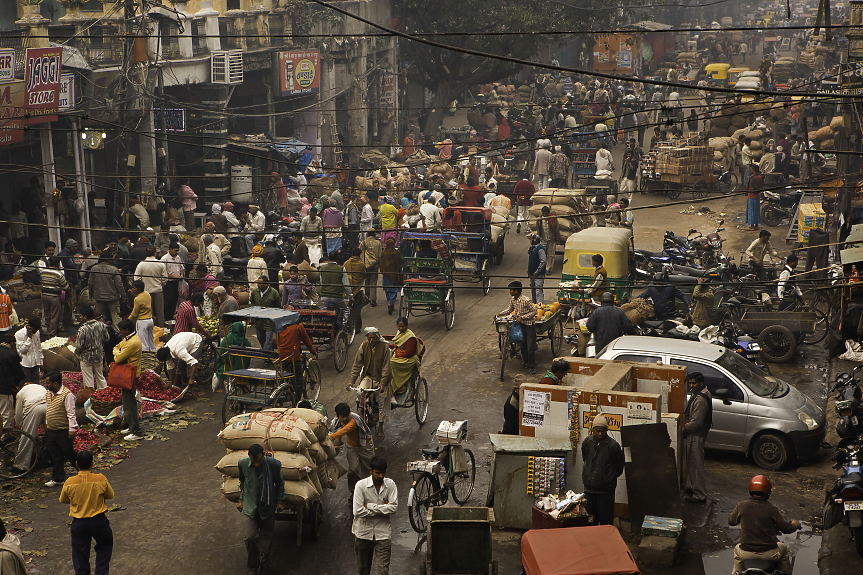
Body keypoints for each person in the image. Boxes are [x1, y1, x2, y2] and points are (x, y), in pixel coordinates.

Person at [728, 475, 800, 574]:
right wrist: (795, 525)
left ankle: (738, 573)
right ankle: (784, 573)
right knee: (784, 549)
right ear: (768, 491)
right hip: (770, 553)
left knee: (737, 551)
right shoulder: (772, 509)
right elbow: (787, 528)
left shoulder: (741, 505)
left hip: (746, 553)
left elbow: (731, 522)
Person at [59, 450, 115, 575]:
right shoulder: (101, 479)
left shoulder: (69, 482)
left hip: (79, 523)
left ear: (77, 464)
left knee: (80, 555)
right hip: (99, 521)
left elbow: (63, 500)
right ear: (92, 464)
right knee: (104, 548)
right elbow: (110, 495)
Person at [236, 443, 287, 575]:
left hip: (267, 506)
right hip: (250, 505)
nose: (257, 464)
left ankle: (265, 566)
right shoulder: (242, 464)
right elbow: (243, 482)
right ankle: (253, 566)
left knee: (266, 539)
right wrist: (241, 499)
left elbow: (280, 483)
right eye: (254, 461)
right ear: (249, 456)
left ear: (263, 455)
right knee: (250, 537)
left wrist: (280, 501)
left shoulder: (273, 465)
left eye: (259, 461)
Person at [352, 455, 397, 575]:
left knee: (383, 571)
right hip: (363, 533)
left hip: (383, 534)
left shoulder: (390, 484)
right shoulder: (360, 486)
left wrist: (370, 506)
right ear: (370, 470)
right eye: (377, 473)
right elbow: (357, 511)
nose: (380, 476)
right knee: (363, 570)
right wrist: (384, 507)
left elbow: (393, 508)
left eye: (383, 473)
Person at [348, 327, 393, 441]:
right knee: (359, 393)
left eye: (373, 338)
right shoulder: (364, 346)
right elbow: (357, 364)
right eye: (369, 338)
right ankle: (361, 420)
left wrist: (383, 383)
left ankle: (381, 427)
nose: (371, 340)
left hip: (381, 378)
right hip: (368, 377)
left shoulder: (384, 347)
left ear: (377, 337)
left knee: (382, 401)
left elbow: (387, 368)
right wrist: (352, 381)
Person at [581, 413, 624, 526]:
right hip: (589, 490)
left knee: (605, 523)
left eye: (602, 431)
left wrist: (608, 478)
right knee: (590, 522)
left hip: (606, 492)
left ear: (606, 430)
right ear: (593, 430)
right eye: (597, 431)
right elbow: (585, 459)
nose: (600, 433)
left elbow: (619, 466)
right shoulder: (587, 442)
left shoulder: (613, 446)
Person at [329, 402, 375, 498]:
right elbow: (338, 430)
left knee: (368, 469)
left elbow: (343, 431)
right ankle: (355, 492)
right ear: (338, 416)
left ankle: (370, 492)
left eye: (346, 416)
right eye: (342, 416)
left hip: (365, 446)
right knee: (353, 470)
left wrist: (329, 437)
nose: (345, 418)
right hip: (352, 447)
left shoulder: (354, 420)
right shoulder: (337, 421)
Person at [43, 370, 79, 487]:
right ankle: (58, 478)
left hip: (63, 430)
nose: (46, 385)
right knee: (55, 455)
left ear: (55, 383)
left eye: (48, 383)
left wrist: (72, 429)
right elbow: (49, 409)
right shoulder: (49, 393)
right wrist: (47, 425)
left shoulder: (67, 395)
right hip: (51, 430)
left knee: (69, 453)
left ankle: (83, 470)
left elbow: (71, 413)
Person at [682, 372, 712, 504]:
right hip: (696, 434)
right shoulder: (702, 393)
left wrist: (684, 430)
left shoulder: (700, 399)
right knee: (693, 463)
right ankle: (696, 488)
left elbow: (696, 422)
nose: (691, 386)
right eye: (690, 383)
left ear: (701, 383)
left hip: (696, 435)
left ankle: (700, 495)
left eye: (694, 383)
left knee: (695, 464)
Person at [113, 319, 143, 441]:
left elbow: (118, 359)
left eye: (121, 330)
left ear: (127, 330)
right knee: (127, 403)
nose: (120, 332)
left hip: (130, 376)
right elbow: (116, 347)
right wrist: (117, 351)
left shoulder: (132, 343)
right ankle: (131, 427)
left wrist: (117, 353)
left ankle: (136, 431)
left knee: (130, 405)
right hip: (127, 374)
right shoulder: (128, 339)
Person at [498, 281, 538, 374]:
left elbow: (534, 311)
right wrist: (500, 313)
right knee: (522, 346)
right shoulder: (513, 299)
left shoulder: (526, 300)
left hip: (529, 326)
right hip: (520, 326)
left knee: (530, 348)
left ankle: (532, 366)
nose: (509, 292)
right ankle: (526, 362)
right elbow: (510, 309)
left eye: (511, 290)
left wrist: (522, 317)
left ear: (516, 291)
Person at [14, 380, 46, 472]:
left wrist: (21, 429)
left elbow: (19, 415)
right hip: (48, 405)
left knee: (27, 437)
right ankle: (54, 460)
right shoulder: (40, 387)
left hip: (34, 407)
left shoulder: (20, 393)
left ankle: (21, 466)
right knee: (51, 435)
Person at [75, 306, 109, 390]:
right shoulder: (101, 325)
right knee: (100, 376)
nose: (80, 317)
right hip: (98, 356)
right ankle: (104, 393)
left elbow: (79, 346)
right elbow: (107, 338)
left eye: (81, 315)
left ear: (85, 317)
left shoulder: (82, 329)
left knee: (88, 378)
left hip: (86, 358)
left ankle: (91, 396)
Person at [213, 321, 252, 392]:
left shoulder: (226, 339)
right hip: (241, 369)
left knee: (229, 386)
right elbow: (247, 360)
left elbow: (220, 356)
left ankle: (231, 398)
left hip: (227, 368)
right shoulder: (246, 341)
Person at [133, 246, 167, 328]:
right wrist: (159, 284)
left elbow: (136, 278)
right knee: (160, 313)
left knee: (147, 313)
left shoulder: (141, 264)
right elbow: (165, 279)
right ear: (155, 253)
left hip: (145, 292)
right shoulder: (160, 264)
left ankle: (149, 329)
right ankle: (160, 330)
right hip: (158, 290)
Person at [88, 251, 124, 326]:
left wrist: (90, 294)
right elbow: (119, 284)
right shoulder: (114, 269)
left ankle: (98, 333)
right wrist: (123, 295)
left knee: (98, 317)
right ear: (110, 259)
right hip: (113, 297)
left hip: (99, 297)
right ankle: (119, 334)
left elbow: (90, 283)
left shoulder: (94, 269)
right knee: (115, 316)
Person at [388, 317, 420, 398]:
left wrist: (397, 356)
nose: (401, 328)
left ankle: (397, 388)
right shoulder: (399, 333)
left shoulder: (410, 337)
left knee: (390, 364)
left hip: (409, 359)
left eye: (403, 326)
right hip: (399, 355)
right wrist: (388, 346)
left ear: (407, 326)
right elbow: (397, 345)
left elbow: (409, 352)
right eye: (399, 326)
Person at [40, 257, 69, 338]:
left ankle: (48, 329)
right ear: (57, 264)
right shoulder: (59, 274)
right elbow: (65, 286)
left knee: (47, 313)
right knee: (55, 315)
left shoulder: (43, 272)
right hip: (54, 296)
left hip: (44, 295)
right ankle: (52, 333)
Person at [0, 332, 24, 431]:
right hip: (4, 388)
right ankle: (4, 438)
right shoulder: (11, 355)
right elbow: (18, 373)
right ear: (12, 343)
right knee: (6, 413)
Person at [250, 276, 281, 352]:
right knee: (260, 338)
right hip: (258, 321)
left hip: (269, 321)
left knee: (268, 341)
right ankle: (268, 353)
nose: (257, 285)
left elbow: (278, 307)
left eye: (260, 283)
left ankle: (267, 358)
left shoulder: (273, 293)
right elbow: (252, 303)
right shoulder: (255, 292)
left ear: (266, 284)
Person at [128, 280, 156, 353]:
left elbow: (135, 313)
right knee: (151, 341)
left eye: (134, 288)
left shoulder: (137, 299)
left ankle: (146, 360)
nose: (132, 289)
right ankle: (154, 356)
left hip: (142, 321)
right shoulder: (147, 294)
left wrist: (128, 320)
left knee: (143, 343)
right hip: (150, 320)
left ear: (139, 289)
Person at [379, 238, 403, 316]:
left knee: (387, 290)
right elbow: (399, 264)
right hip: (394, 275)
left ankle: (389, 302)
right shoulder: (396, 253)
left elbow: (381, 264)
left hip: (386, 275)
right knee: (394, 290)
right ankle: (390, 303)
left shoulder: (383, 253)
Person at [15, 317, 42, 384]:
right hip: (26, 364)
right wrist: (29, 338)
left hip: (36, 363)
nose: (35, 331)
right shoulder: (19, 334)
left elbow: (39, 347)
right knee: (27, 384)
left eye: (36, 330)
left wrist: (41, 361)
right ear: (29, 326)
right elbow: (22, 350)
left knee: (36, 383)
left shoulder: (37, 332)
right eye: (34, 329)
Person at [360, 231, 382, 307]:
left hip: (365, 265)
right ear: (375, 234)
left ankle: (367, 297)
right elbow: (379, 255)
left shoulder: (363, 242)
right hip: (374, 266)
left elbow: (360, 253)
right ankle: (373, 300)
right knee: (373, 282)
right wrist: (378, 264)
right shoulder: (378, 243)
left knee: (366, 281)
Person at [538, 205, 559, 274]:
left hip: (551, 240)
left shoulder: (553, 219)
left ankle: (548, 268)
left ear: (548, 213)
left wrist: (557, 239)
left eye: (546, 213)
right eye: (543, 213)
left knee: (550, 255)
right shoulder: (539, 220)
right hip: (543, 240)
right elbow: (538, 229)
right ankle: (542, 267)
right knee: (543, 254)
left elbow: (556, 229)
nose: (544, 215)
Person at [527, 234, 547, 305]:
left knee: (538, 291)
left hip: (538, 275)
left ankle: (539, 306)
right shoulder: (533, 248)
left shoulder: (540, 249)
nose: (530, 241)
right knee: (533, 291)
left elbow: (543, 261)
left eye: (530, 240)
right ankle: (534, 305)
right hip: (532, 274)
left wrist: (537, 271)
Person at [745, 164, 763, 231]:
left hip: (751, 196)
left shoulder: (752, 177)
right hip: (757, 196)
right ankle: (756, 225)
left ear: (753, 170)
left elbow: (750, 186)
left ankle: (752, 226)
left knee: (751, 211)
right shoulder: (760, 177)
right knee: (756, 211)